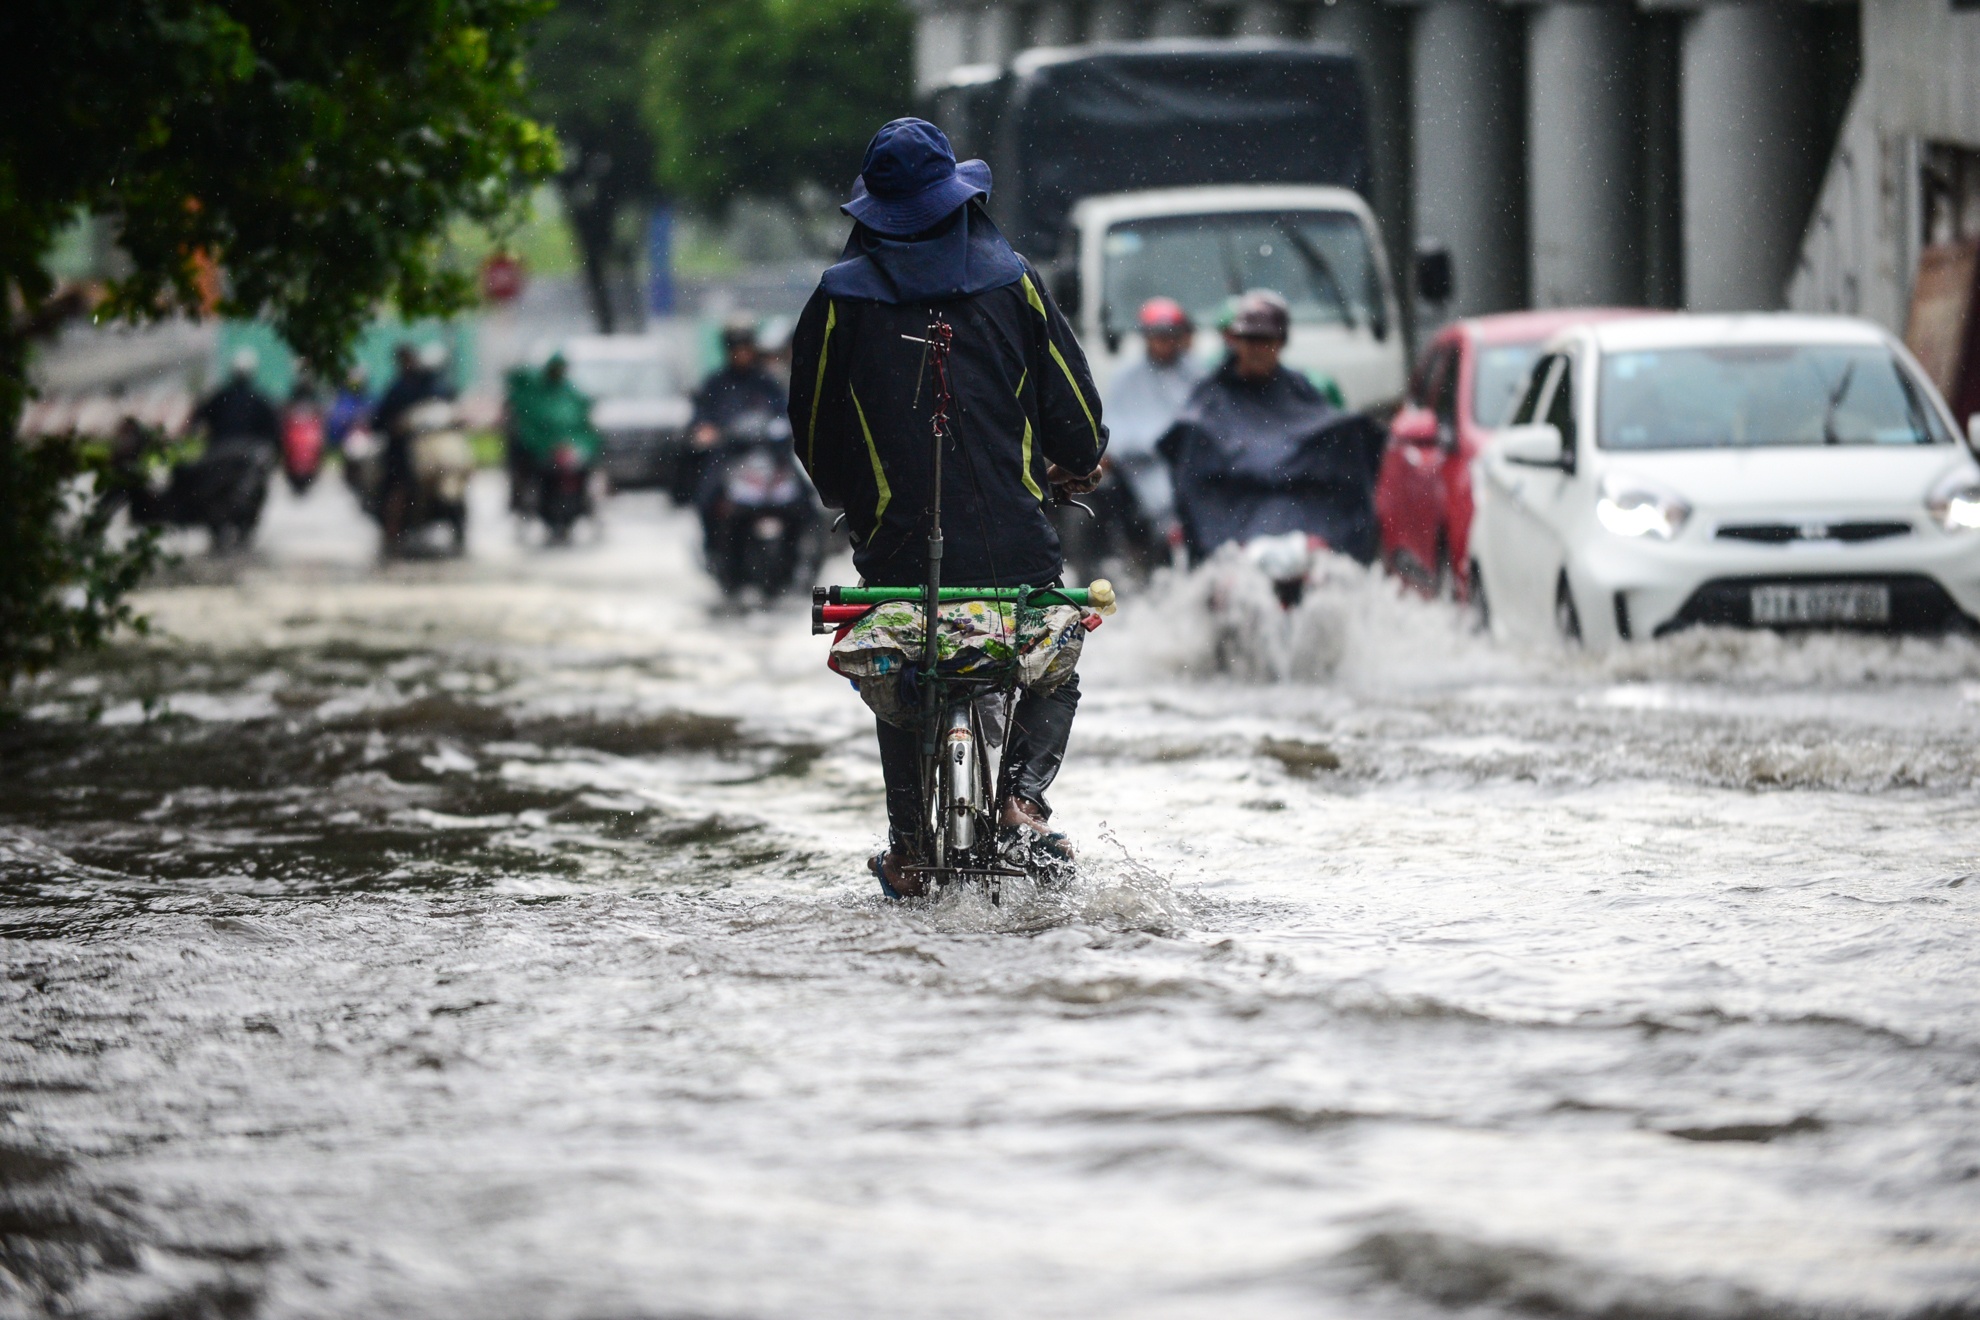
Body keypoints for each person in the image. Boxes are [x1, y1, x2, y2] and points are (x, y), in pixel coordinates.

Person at [787, 117, 1106, 898]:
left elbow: (815, 430)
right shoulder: (1016, 281)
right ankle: (1023, 802)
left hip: (896, 547)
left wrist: (856, 499)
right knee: (1052, 656)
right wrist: (1074, 464)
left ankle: (905, 846)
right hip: (1017, 546)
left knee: (902, 669)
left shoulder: (837, 298)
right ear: (960, 202)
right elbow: (1078, 418)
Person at [1159, 289, 1384, 565]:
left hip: (1299, 507)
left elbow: (1323, 423)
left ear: (1281, 342)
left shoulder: (1301, 389)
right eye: (1250, 340)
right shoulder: (1208, 399)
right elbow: (1188, 450)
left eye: (1266, 340)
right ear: (1236, 342)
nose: (1257, 349)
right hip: (1233, 512)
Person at [1097, 296, 1206, 543]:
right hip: (1142, 469)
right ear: (1146, 336)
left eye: (1170, 334)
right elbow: (1114, 433)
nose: (1164, 341)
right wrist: (1151, 445)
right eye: (1158, 334)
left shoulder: (1198, 374)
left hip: (1191, 465)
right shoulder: (1126, 378)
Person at [680, 316, 788, 503]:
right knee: (708, 492)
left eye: (746, 347)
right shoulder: (715, 383)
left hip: (766, 452)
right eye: (737, 348)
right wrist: (705, 430)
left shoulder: (767, 382)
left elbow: (784, 412)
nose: (742, 353)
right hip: (727, 455)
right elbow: (701, 415)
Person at [372, 342, 453, 547]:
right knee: (399, 489)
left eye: (410, 359)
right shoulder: (397, 389)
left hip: (432, 446)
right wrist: (395, 426)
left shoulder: (431, 385)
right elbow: (381, 420)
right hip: (403, 450)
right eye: (404, 360)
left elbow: (446, 406)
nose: (408, 364)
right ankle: (393, 531)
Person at [504, 352, 602, 510]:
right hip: (543, 451)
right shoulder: (536, 393)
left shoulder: (569, 393)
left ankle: (584, 504)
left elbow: (583, 424)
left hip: (570, 452)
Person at [190, 348, 282, 451]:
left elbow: (198, 418)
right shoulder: (259, 401)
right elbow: (273, 432)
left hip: (220, 451)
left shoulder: (220, 398)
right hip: (248, 454)